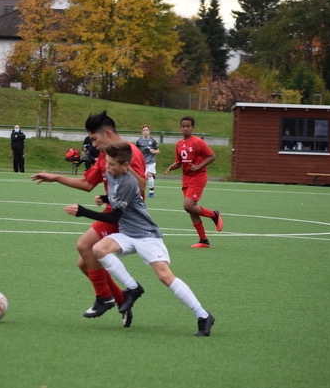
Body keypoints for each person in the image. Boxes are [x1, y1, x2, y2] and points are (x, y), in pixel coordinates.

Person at [64, 141, 215, 336]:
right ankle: (133, 288)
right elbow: (121, 199)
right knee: (98, 249)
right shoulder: (112, 174)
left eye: (111, 164)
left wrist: (82, 211)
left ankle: (203, 315)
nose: (107, 167)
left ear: (125, 166)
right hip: (127, 233)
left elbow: (114, 217)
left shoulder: (128, 181)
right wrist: (105, 198)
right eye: (107, 163)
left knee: (165, 276)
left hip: (146, 235)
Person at [31, 111, 146, 327]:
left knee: (84, 245)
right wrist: (56, 177)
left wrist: (117, 192)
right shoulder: (104, 156)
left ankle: (104, 297)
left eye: (94, 139)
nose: (93, 145)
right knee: (85, 264)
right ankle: (121, 300)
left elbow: (140, 188)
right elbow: (87, 183)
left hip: (125, 217)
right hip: (112, 211)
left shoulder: (130, 152)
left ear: (108, 134)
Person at [164, 116, 223, 248]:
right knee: (192, 210)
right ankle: (203, 240)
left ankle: (214, 215)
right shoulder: (179, 144)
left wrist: (198, 166)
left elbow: (212, 156)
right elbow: (179, 162)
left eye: (188, 126)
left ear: (193, 128)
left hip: (198, 177)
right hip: (186, 178)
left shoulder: (198, 142)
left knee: (188, 205)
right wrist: (172, 167)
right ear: (180, 128)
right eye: (183, 126)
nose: (185, 128)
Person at [135, 124, 160, 197]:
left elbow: (158, 150)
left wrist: (154, 151)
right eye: (144, 130)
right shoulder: (139, 141)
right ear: (141, 132)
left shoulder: (152, 141)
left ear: (149, 131)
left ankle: (151, 192)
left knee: (149, 175)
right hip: (143, 162)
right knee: (144, 177)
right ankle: (140, 192)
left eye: (147, 130)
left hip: (151, 161)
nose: (145, 132)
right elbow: (135, 150)